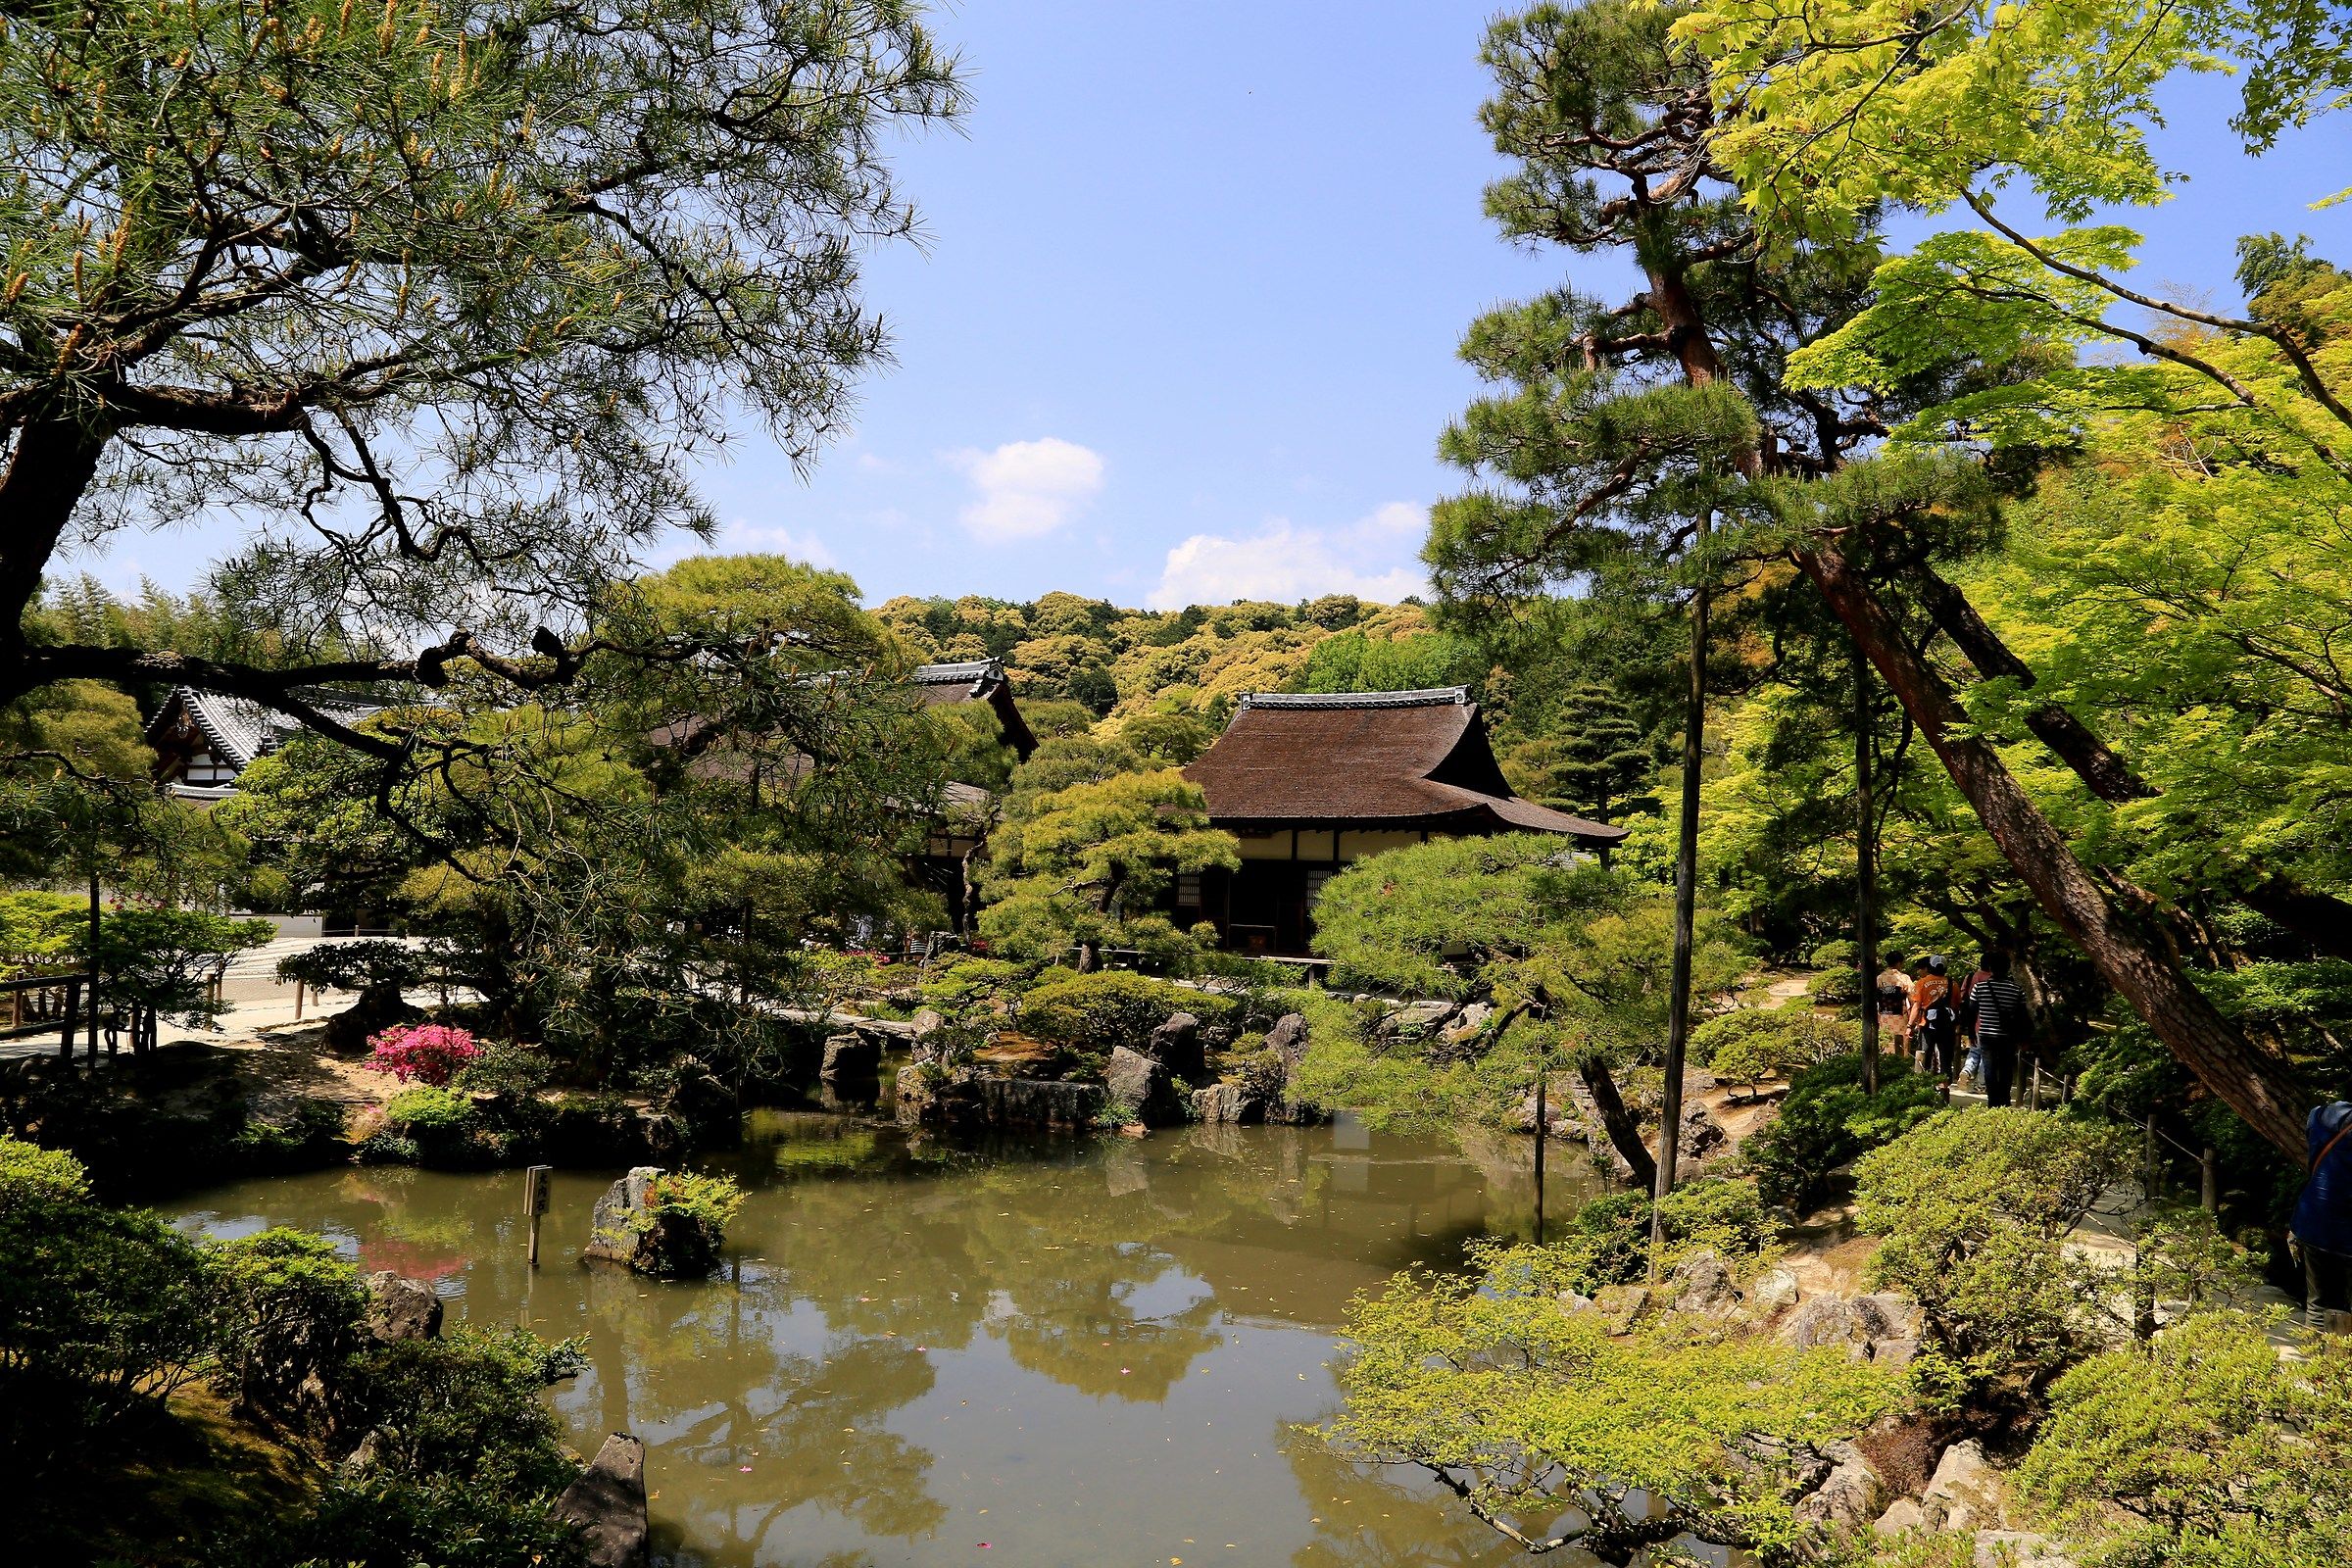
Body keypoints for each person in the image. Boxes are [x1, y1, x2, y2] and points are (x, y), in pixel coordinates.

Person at [2291, 1100, 2352, 1329]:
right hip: (2346, 1231)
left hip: (2313, 1220)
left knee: (2318, 1304)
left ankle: (2315, 1360)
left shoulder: (2318, 1115)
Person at [1967, 951, 2029, 1107]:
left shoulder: (1979, 988)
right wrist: (2023, 1038)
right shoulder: (2017, 989)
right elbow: (2022, 1016)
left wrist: (1970, 1033)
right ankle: (2005, 1100)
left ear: (1990, 968)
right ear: (2008, 968)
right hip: (2008, 1036)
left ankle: (1992, 1101)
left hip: (1986, 1034)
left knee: (1990, 1068)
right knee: (2007, 1068)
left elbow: (1971, 1012)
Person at [1906, 956, 1958, 1080]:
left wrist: (1910, 1026)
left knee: (1925, 1054)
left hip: (1927, 1024)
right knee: (1946, 1056)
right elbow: (1955, 1006)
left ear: (1930, 967)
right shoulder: (1952, 983)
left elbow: (1916, 1007)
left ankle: (1925, 1083)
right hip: (1947, 1026)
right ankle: (1945, 1084)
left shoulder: (1922, 983)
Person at [1875, 955, 1912, 1052]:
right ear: (1899, 963)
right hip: (1900, 1015)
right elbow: (1913, 998)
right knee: (1901, 1044)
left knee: (1886, 1041)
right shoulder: (1904, 978)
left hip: (1884, 1015)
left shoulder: (1879, 978)